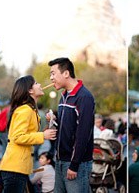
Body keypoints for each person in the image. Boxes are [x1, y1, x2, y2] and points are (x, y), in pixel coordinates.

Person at [0, 76, 57, 192]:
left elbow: (28, 135)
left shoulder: (30, 110)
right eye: (36, 83)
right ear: (30, 90)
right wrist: (43, 136)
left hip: (19, 167)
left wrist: (49, 123)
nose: (40, 85)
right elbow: (18, 137)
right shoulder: (25, 110)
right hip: (14, 167)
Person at [47, 57, 95, 193]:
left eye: (53, 73)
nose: (51, 78)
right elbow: (67, 127)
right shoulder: (63, 96)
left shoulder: (84, 97)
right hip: (60, 160)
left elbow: (83, 133)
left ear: (66, 73)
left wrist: (74, 165)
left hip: (76, 164)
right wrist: (54, 120)